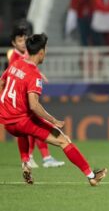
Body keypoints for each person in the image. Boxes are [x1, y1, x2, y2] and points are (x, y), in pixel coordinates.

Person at [0, 33, 107, 186]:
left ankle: (25, 163)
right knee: (64, 141)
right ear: (41, 52)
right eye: (46, 50)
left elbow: (1, 82)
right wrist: (53, 120)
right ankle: (91, 176)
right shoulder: (34, 75)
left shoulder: (15, 64)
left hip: (8, 123)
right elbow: (34, 105)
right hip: (23, 121)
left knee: (22, 132)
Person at [7, 23, 65, 168]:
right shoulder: (13, 56)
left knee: (34, 125)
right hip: (17, 101)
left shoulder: (25, 56)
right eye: (19, 40)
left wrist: (39, 74)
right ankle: (31, 158)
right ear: (13, 43)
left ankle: (34, 158)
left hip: (23, 97)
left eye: (23, 39)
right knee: (32, 126)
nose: (22, 43)